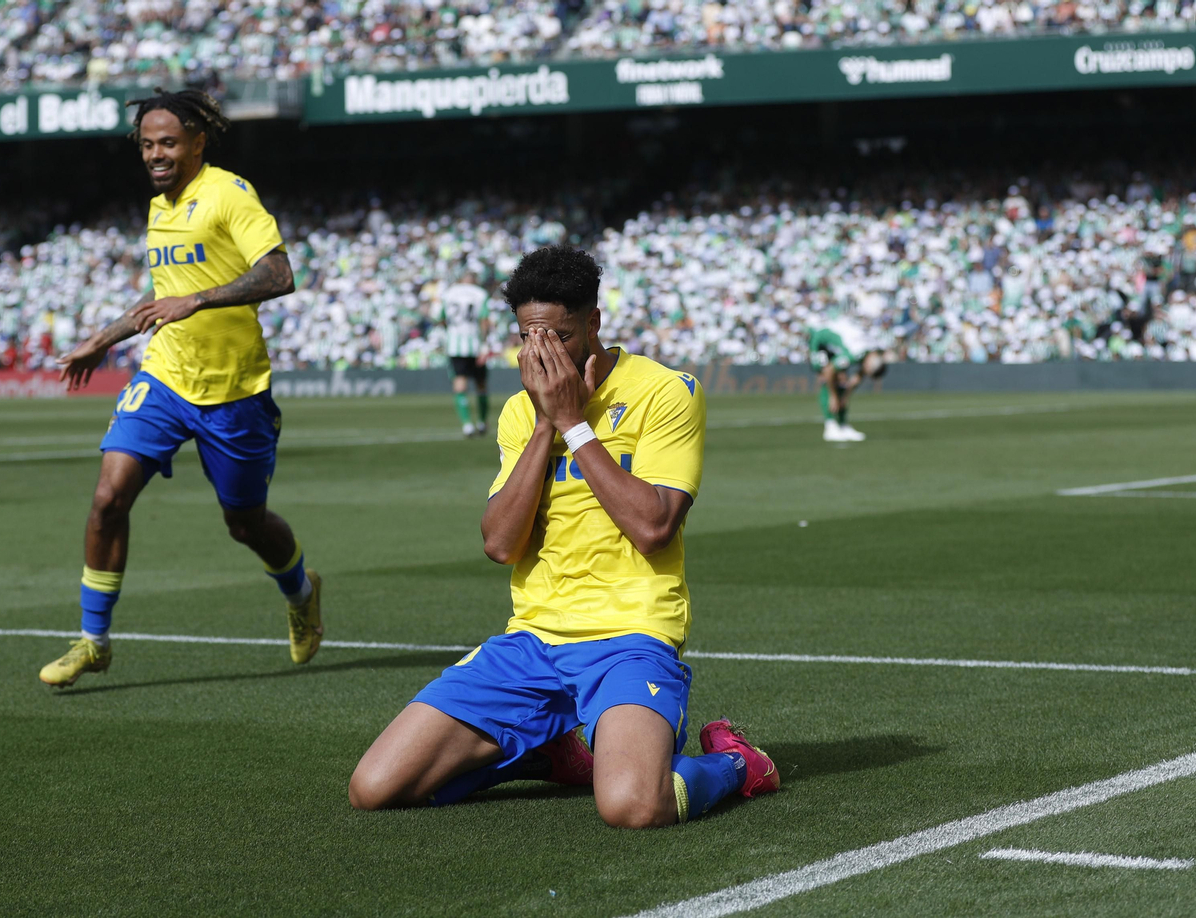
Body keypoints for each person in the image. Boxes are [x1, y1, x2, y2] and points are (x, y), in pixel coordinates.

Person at [347, 246, 778, 827]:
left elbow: (653, 527)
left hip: (631, 635)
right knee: (375, 788)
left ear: (594, 323)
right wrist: (548, 422)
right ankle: (554, 751)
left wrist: (575, 424)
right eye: (529, 338)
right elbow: (500, 545)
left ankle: (736, 763)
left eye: (559, 336)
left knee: (632, 806)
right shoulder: (519, 413)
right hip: (532, 641)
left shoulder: (664, 391)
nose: (542, 353)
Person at [38, 89, 322, 688]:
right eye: (146, 144)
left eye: (167, 142)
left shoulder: (228, 192)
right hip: (164, 378)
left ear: (198, 141)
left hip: (235, 391)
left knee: (244, 524)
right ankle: (93, 641)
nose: (155, 154)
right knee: (108, 498)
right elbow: (161, 303)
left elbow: (279, 273)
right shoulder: (158, 208)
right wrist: (104, 338)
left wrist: (198, 298)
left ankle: (300, 590)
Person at [807, 317, 885, 442]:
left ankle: (843, 425)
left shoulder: (872, 350)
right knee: (828, 378)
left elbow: (858, 377)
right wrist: (834, 397)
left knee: (842, 380)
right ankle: (830, 426)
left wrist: (845, 397)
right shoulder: (855, 352)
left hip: (835, 340)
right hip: (820, 338)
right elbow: (829, 371)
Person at [438, 273, 492, 437]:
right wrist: (484, 343)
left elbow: (441, 318)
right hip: (475, 344)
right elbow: (484, 320)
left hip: (455, 346)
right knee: (481, 384)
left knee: (460, 385)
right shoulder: (480, 294)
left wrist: (451, 333)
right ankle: (482, 422)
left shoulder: (448, 293)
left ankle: (467, 425)